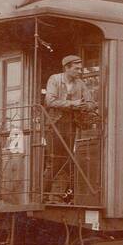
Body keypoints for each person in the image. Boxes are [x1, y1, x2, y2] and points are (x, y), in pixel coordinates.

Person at [43, 55, 96, 200]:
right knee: (55, 160)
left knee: (67, 159)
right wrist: (73, 104)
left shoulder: (80, 84)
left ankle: (61, 195)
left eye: (80, 69)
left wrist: (85, 105)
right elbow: (50, 101)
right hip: (54, 124)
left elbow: (92, 103)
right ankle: (43, 194)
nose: (79, 71)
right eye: (76, 69)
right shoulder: (55, 79)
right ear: (67, 68)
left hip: (71, 125)